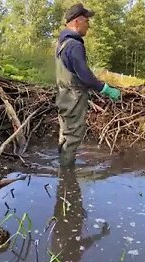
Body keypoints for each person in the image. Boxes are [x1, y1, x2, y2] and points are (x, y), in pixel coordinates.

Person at [55, 3, 121, 167]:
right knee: (73, 136)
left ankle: (62, 169)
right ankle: (67, 175)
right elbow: (84, 75)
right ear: (77, 21)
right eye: (86, 21)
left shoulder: (61, 44)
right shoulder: (75, 45)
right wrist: (105, 89)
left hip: (63, 96)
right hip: (74, 98)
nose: (88, 25)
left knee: (65, 133)